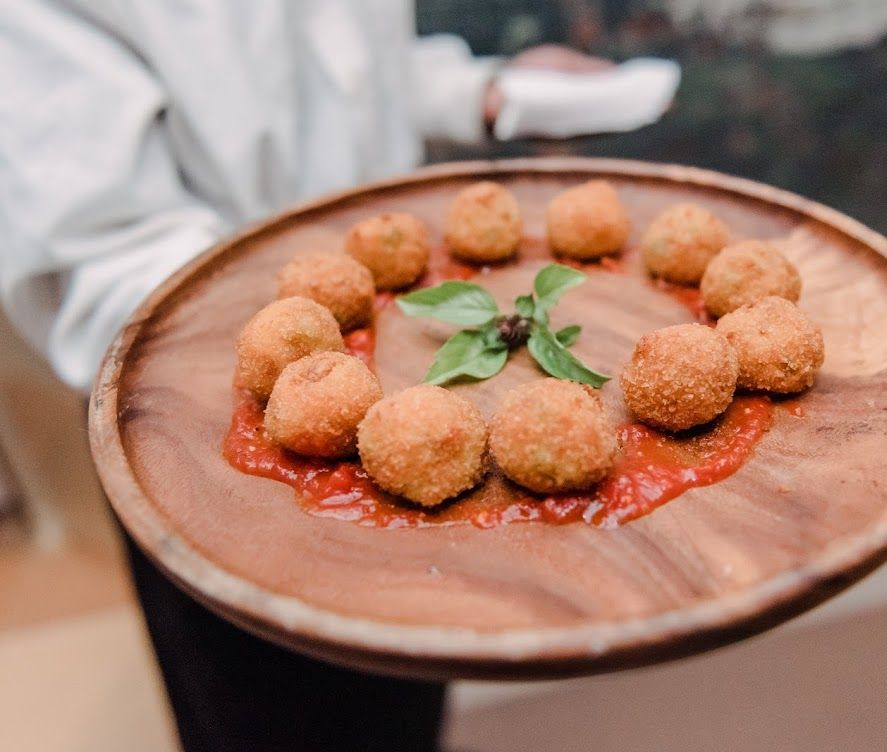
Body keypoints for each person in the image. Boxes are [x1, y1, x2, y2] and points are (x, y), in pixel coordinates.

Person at [0, 2, 678, 750]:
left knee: (405, 699)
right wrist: (295, 329)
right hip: (205, 427)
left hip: (391, 351)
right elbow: (101, 243)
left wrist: (474, 91)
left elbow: (342, 65)